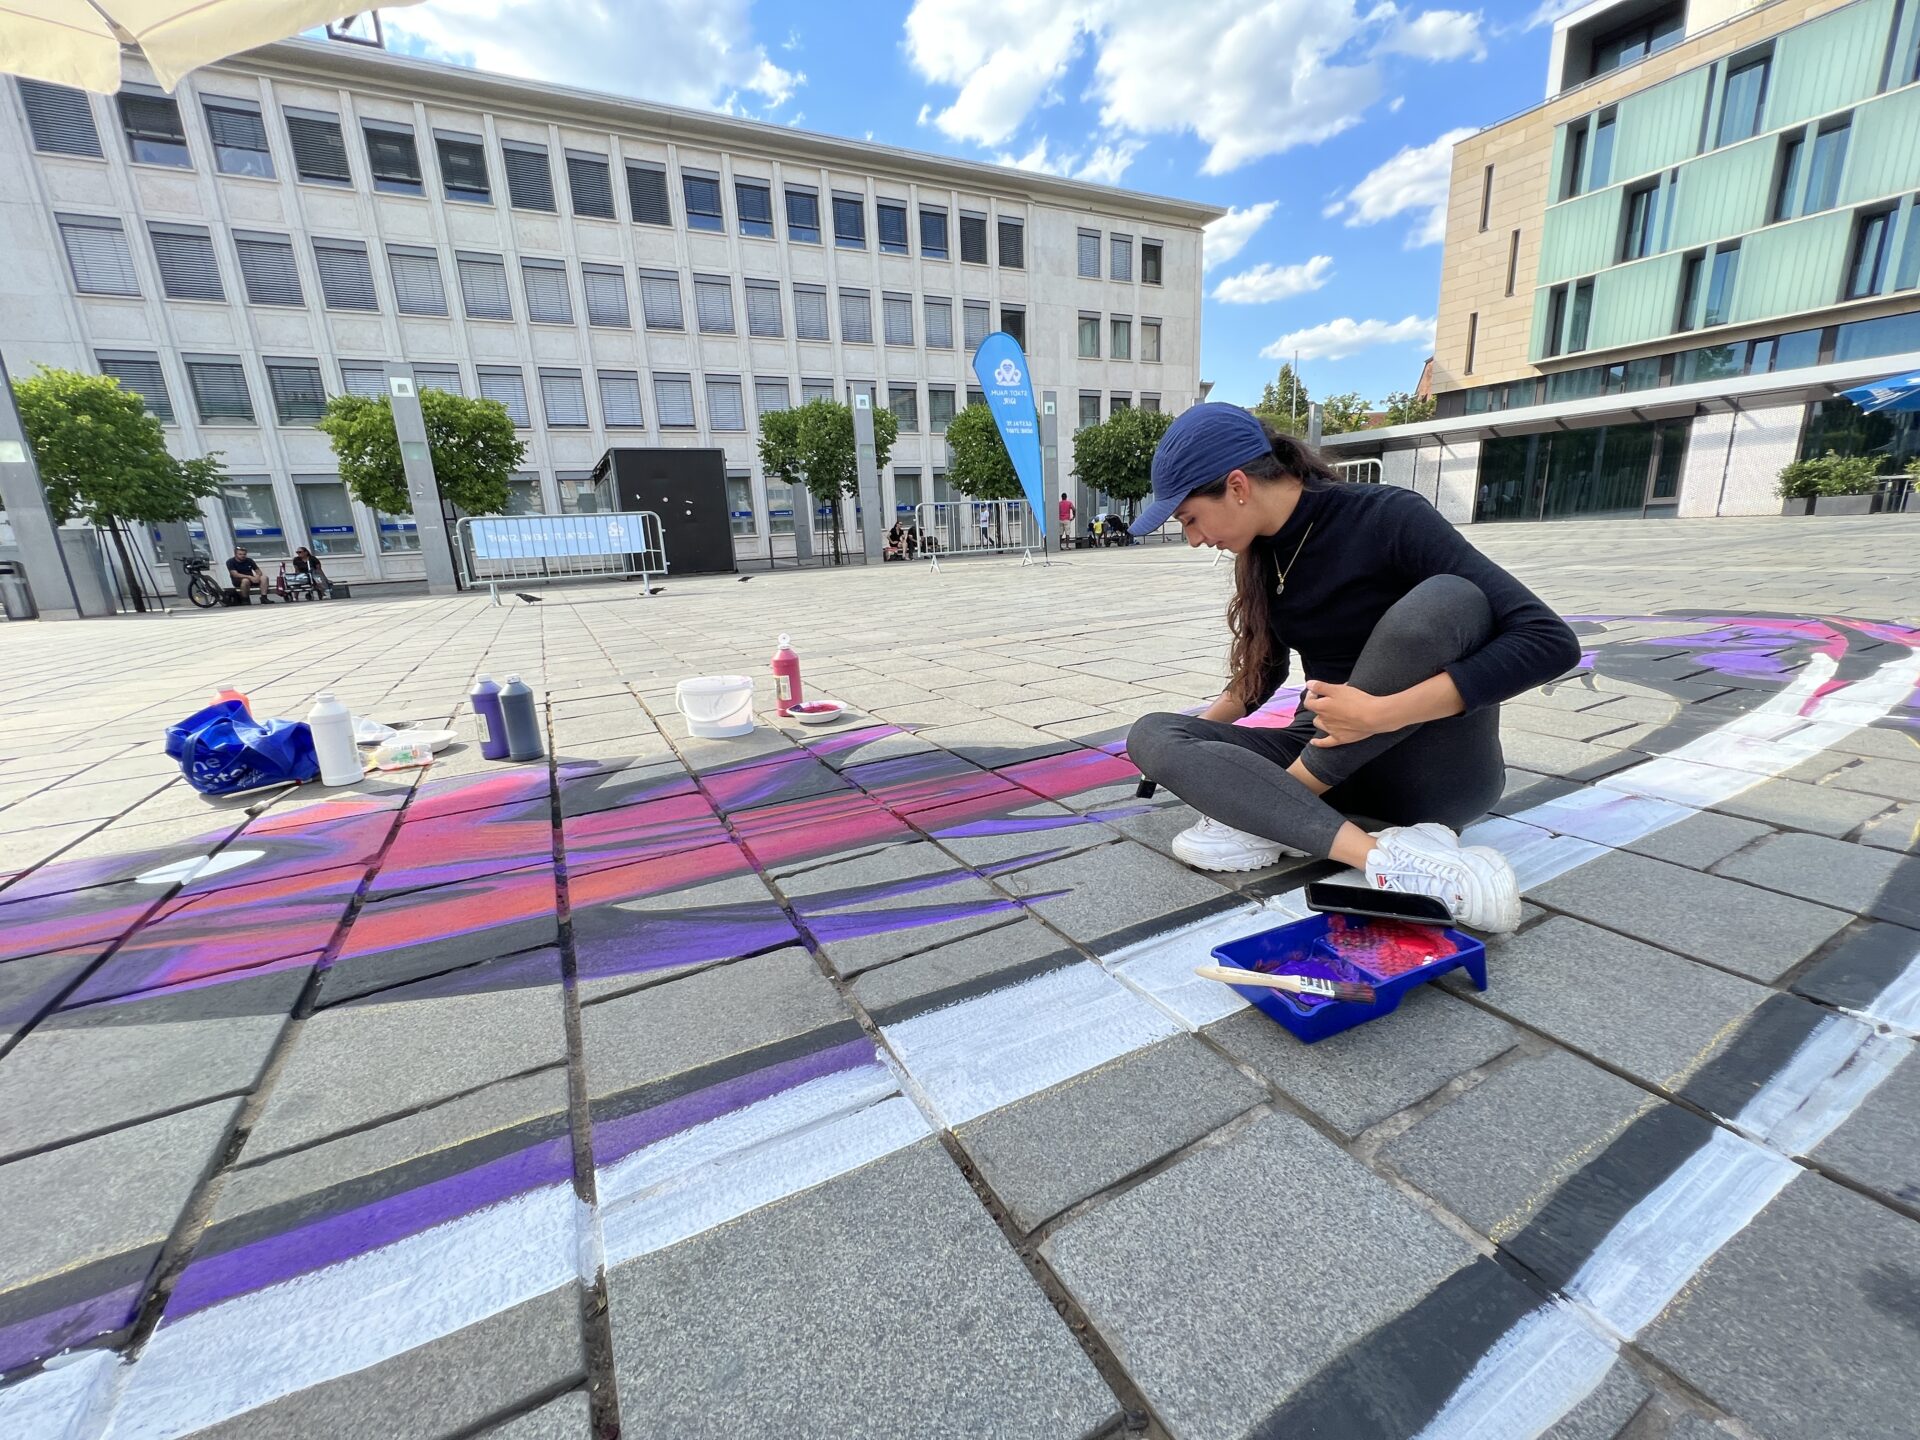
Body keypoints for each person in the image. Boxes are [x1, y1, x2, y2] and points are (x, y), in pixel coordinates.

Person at [1124, 404, 1581, 933]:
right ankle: (1366, 850)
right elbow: (1261, 675)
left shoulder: (1388, 517)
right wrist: (1196, 748)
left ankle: (1285, 818)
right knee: (1154, 734)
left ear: (1238, 486)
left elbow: (1550, 641)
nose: (1195, 540)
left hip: (1430, 768)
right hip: (1327, 765)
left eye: (1190, 519)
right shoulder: (1264, 554)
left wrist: (1383, 713)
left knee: (1447, 600)